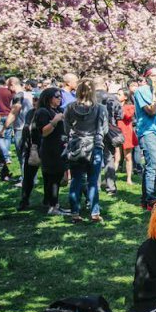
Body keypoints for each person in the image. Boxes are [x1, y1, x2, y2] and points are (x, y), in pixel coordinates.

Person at [64, 78, 109, 223]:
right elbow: (105, 129)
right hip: (94, 146)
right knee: (93, 181)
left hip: (76, 146)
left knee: (76, 180)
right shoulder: (100, 108)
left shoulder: (70, 108)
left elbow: (66, 128)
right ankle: (94, 213)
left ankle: (75, 213)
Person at [134, 66, 156, 211]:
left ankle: (145, 199)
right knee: (153, 165)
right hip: (148, 132)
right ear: (147, 77)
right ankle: (153, 200)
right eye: (155, 76)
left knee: (154, 165)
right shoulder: (142, 91)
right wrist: (154, 92)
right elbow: (152, 111)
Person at [31, 87, 67, 214]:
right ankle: (53, 206)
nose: (60, 98)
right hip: (50, 150)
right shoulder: (43, 112)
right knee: (53, 178)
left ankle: (50, 203)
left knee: (54, 177)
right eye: (57, 96)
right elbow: (43, 132)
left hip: (59, 148)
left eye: (60, 96)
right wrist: (55, 121)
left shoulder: (58, 110)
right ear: (49, 98)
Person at [113, 88, 137, 186]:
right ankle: (111, 178)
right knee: (116, 156)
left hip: (127, 133)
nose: (117, 96)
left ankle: (129, 178)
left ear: (125, 97)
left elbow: (127, 116)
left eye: (119, 94)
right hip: (116, 132)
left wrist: (119, 108)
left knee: (128, 156)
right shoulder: (114, 105)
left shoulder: (130, 107)